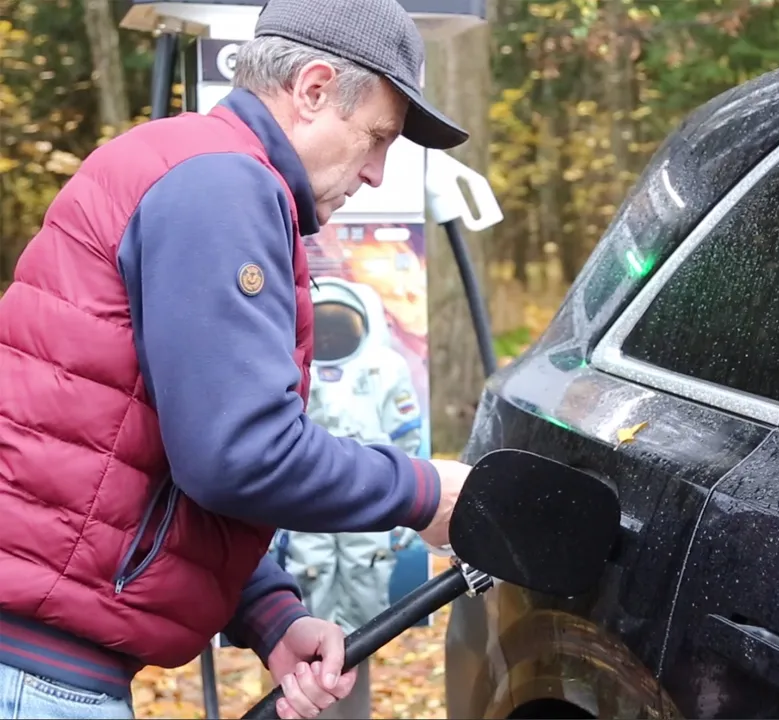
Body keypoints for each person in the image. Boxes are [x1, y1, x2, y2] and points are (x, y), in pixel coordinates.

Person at [0, 0, 473, 718]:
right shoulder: (223, 188)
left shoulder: (187, 165)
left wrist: (270, 615)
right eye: (377, 137)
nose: (378, 172)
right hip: (38, 678)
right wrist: (423, 495)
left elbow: (153, 450)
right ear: (313, 89)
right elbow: (240, 452)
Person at [277, 277, 426, 719]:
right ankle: (313, 678)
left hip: (370, 498)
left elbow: (406, 440)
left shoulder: (383, 367)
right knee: (310, 576)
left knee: (366, 581)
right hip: (307, 500)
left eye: (339, 328)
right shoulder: (290, 364)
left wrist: (404, 512)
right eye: (322, 329)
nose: (329, 336)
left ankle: (355, 662)